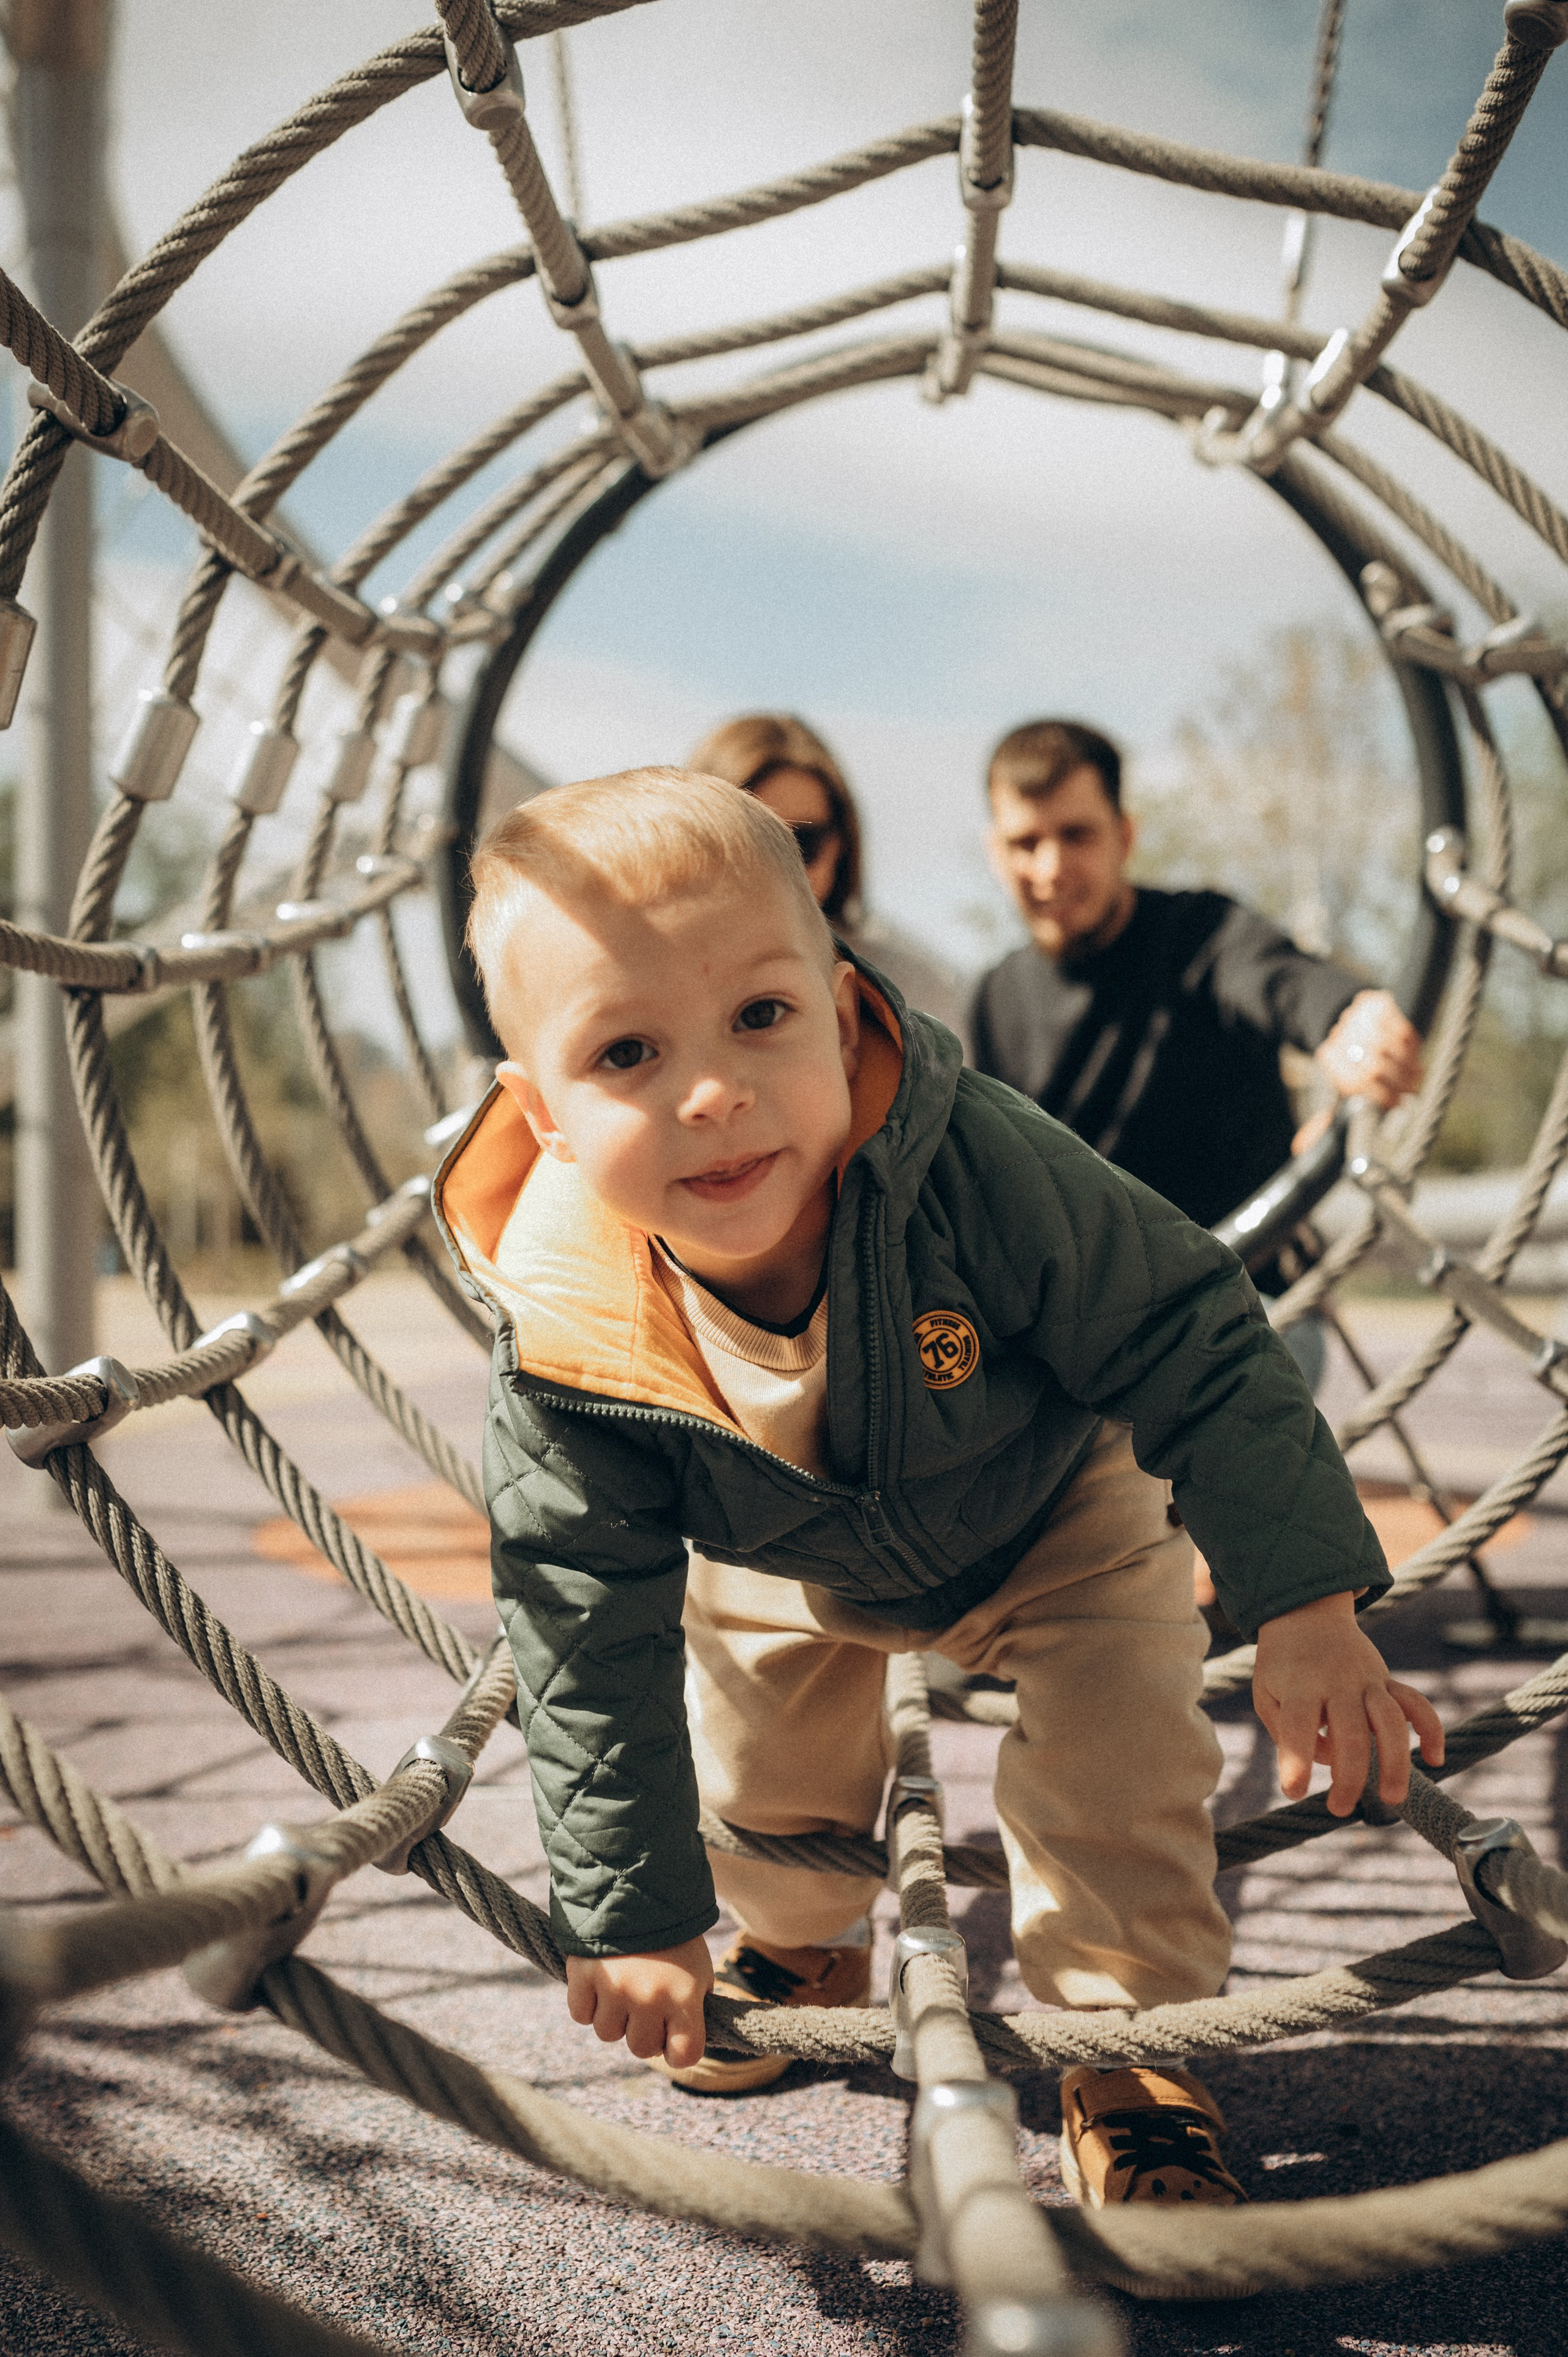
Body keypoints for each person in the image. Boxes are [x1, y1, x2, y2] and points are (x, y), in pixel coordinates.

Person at [435, 766, 1442, 2209]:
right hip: (782, 1552)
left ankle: (1125, 2037)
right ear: (538, 1117)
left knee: (1119, 1757)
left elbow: (1186, 1329)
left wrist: (1304, 1604)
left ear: (841, 1012)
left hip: (1054, 1514)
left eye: (759, 1017)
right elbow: (576, 1620)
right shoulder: (565, 1328)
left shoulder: (963, 1159)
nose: (710, 1088)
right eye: (626, 1052)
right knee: (761, 1781)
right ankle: (803, 1937)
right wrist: (635, 1915)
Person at [970, 718, 1423, 1273]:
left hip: (1253, 1299)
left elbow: (1285, 980)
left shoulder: (1202, 933)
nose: (1050, 868)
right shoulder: (993, 1001)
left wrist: (1348, 1019)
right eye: (1025, 843)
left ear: (1125, 837)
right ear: (995, 852)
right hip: (1093, 1322)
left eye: (1076, 835)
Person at [690, 712, 971, 1051]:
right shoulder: (649, 981)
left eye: (802, 843)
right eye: (749, 841)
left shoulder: (915, 994)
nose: (781, 873)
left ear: (840, 844)